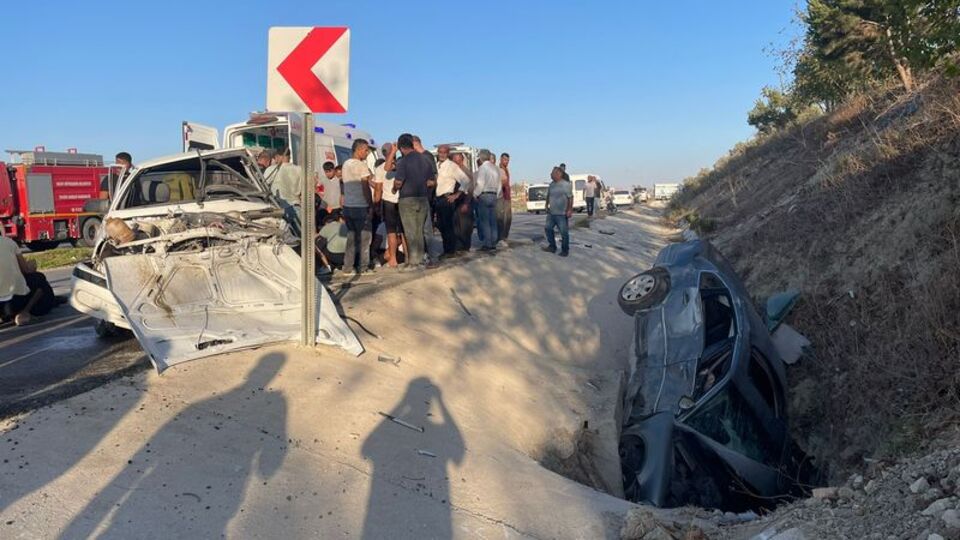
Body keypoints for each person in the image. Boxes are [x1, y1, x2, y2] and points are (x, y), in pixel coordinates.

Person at [388, 133, 436, 269]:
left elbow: (398, 182)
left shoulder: (403, 162)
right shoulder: (425, 160)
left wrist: (393, 189)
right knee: (420, 230)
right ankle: (422, 259)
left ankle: (415, 262)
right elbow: (432, 181)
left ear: (401, 148)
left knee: (411, 231)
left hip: (407, 199)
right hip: (423, 198)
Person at [0, 231, 56, 325]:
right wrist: (32, 264)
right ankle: (25, 312)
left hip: (3, 305)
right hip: (15, 300)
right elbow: (26, 270)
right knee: (40, 278)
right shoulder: (10, 243)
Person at [340, 139, 375, 275]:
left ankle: (348, 267)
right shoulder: (361, 166)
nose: (367, 153)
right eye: (366, 150)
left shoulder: (345, 165)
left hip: (348, 206)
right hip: (361, 206)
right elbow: (365, 187)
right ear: (359, 150)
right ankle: (363, 267)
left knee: (351, 238)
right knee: (365, 238)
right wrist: (370, 204)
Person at [434, 144, 470, 259]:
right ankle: (447, 250)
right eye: (440, 152)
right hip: (438, 199)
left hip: (447, 198)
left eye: (444, 152)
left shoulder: (452, 166)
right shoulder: (436, 166)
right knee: (441, 226)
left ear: (448, 153)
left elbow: (466, 180)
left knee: (448, 226)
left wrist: (456, 195)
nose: (442, 154)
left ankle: (450, 251)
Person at [375, 143, 406, 268]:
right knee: (404, 232)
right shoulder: (402, 165)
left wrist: (376, 204)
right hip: (402, 201)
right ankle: (408, 258)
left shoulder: (380, 168)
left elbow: (378, 189)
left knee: (391, 232)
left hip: (388, 202)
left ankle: (392, 259)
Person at [473, 149, 501, 252]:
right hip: (494, 195)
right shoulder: (494, 168)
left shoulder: (482, 168)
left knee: (485, 221)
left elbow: (480, 184)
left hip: (484, 195)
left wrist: (475, 194)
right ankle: (493, 242)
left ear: (481, 157)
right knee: (493, 220)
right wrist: (497, 194)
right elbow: (499, 185)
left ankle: (487, 244)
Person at [543, 166, 573, 257]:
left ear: (559, 174)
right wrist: (546, 204)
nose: (550, 174)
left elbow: (570, 198)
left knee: (564, 233)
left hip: (562, 214)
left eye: (552, 172)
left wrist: (569, 210)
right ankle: (552, 246)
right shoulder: (551, 184)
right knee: (548, 228)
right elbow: (548, 195)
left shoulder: (566, 184)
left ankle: (565, 250)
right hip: (552, 213)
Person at [451, 152, 475, 253]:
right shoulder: (454, 171)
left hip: (465, 200)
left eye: (458, 160)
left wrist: (466, 203)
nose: (456, 162)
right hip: (456, 201)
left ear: (462, 160)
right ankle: (459, 246)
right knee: (457, 225)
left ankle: (465, 246)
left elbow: (471, 189)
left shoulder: (466, 172)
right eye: (454, 160)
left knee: (465, 225)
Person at [496, 152, 513, 247]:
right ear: (501, 159)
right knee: (501, 218)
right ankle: (501, 237)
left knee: (508, 218)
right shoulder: (498, 169)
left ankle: (504, 236)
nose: (506, 162)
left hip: (507, 196)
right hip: (501, 196)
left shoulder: (506, 169)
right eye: (505, 160)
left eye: (508, 160)